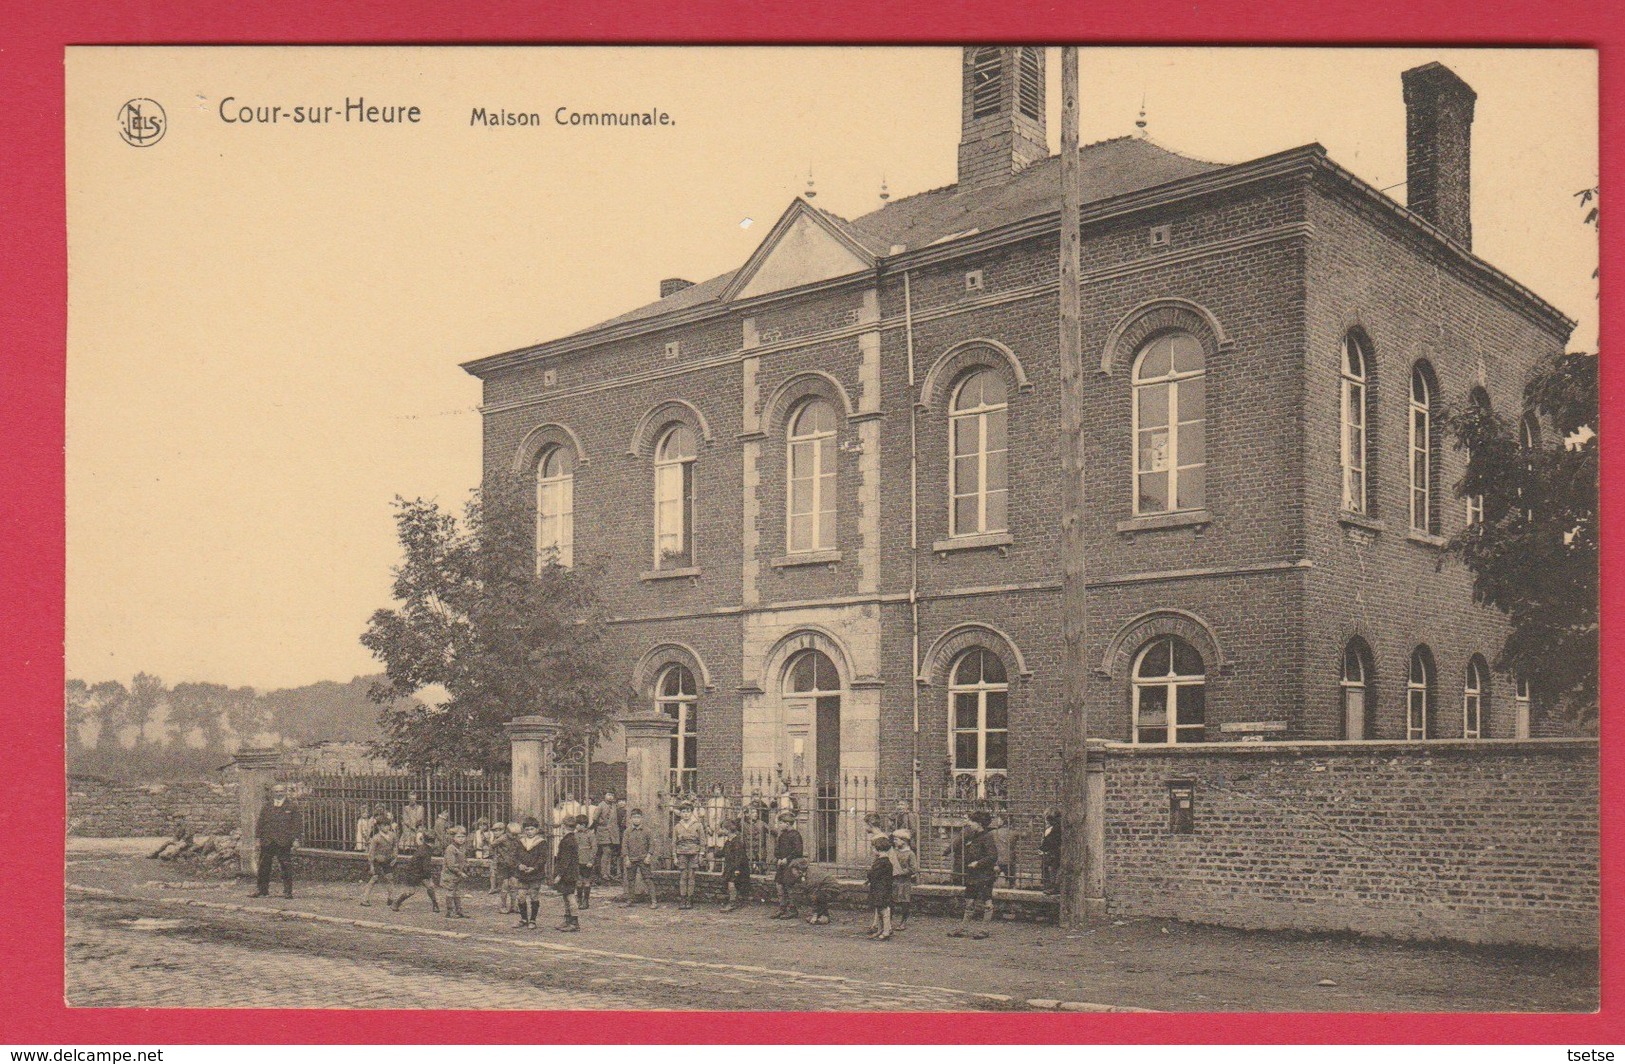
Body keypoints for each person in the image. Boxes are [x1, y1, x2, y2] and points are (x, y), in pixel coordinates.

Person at [948, 811, 999, 939]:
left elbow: (992, 856)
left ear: (979, 823)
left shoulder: (987, 836)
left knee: (987, 902)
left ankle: (984, 930)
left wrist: (978, 863)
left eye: (972, 821)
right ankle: (963, 928)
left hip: (985, 875)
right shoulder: (973, 835)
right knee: (969, 901)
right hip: (973, 874)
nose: (969, 824)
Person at [249, 783, 301, 899]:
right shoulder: (267, 806)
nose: (279, 793)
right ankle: (262, 890)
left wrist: (296, 839)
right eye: (276, 791)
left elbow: (296, 825)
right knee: (263, 866)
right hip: (267, 840)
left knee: (286, 866)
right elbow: (260, 823)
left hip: (283, 841)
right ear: (273, 793)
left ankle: (287, 892)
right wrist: (258, 839)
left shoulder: (292, 806)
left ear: (285, 792)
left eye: (281, 791)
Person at [389, 828, 438, 913]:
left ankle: (435, 905)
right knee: (411, 891)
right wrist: (430, 878)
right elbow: (426, 867)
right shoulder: (426, 851)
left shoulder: (424, 848)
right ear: (433, 841)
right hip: (413, 873)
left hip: (417, 871)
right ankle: (396, 903)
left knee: (430, 887)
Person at [512, 817, 549, 929]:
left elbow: (543, 858)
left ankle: (533, 920)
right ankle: (523, 919)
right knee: (521, 896)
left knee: (534, 896)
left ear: (537, 829)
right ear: (524, 830)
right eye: (527, 829)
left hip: (535, 874)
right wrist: (519, 865)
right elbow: (515, 856)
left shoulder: (541, 842)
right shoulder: (520, 842)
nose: (529, 831)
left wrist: (534, 867)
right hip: (522, 874)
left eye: (532, 829)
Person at [619, 808, 658, 909]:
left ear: (642, 818)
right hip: (631, 859)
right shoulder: (627, 832)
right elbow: (624, 845)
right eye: (634, 817)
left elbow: (652, 845)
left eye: (638, 817)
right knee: (630, 880)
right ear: (630, 819)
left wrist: (649, 856)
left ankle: (653, 901)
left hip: (643, 859)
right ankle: (630, 900)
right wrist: (626, 858)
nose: (636, 819)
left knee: (648, 879)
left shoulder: (647, 831)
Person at [782, 857, 838, 925]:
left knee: (817, 896)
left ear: (799, 870)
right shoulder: (806, 873)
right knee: (811, 895)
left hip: (831, 890)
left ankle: (822, 916)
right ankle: (822, 915)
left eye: (793, 871)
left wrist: (814, 915)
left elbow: (813, 895)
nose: (793, 873)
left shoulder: (811, 877)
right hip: (821, 889)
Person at [770, 810, 804, 919]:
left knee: (789, 887)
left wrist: (787, 859)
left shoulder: (795, 835)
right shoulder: (782, 835)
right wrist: (779, 858)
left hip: (790, 865)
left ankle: (792, 910)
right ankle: (782, 908)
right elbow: (778, 849)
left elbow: (798, 851)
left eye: (780, 823)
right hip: (782, 865)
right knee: (779, 885)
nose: (779, 825)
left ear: (787, 824)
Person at [672, 802, 706, 910]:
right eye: (683, 812)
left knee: (691, 876)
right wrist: (675, 856)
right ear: (680, 813)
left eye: (688, 811)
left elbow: (702, 841)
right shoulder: (677, 826)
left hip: (694, 853)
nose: (686, 814)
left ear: (691, 812)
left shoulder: (698, 825)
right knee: (683, 876)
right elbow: (674, 842)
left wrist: (701, 854)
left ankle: (689, 898)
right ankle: (683, 898)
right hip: (681, 853)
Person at [360, 811, 396, 907]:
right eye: (384, 825)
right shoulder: (376, 838)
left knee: (390, 878)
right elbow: (371, 853)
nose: (387, 827)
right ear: (379, 827)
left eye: (388, 825)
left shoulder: (392, 835)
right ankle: (364, 899)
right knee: (374, 878)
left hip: (387, 860)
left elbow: (395, 846)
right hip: (377, 861)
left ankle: (391, 898)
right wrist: (371, 866)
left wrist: (395, 857)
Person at [552, 815, 582, 932]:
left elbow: (565, 860)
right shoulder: (571, 839)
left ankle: (574, 922)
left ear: (564, 827)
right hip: (570, 873)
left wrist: (559, 875)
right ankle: (568, 919)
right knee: (566, 896)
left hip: (568, 874)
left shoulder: (567, 841)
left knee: (569, 896)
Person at [866, 835, 896, 940]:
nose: (873, 850)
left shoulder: (882, 862)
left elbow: (873, 874)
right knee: (880, 909)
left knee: (884, 910)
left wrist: (869, 875)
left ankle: (886, 931)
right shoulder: (884, 862)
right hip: (880, 888)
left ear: (878, 849)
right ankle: (880, 929)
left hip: (881, 890)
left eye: (873, 848)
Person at [719, 819, 751, 911]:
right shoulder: (728, 841)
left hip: (738, 867)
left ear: (727, 830)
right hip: (730, 866)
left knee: (731, 883)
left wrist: (737, 869)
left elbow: (738, 857)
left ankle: (732, 903)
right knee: (729, 883)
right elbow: (722, 852)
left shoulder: (736, 842)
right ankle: (734, 900)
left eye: (722, 829)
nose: (721, 831)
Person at [441, 825, 470, 919]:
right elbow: (451, 865)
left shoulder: (461, 848)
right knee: (450, 892)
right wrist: (460, 872)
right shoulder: (450, 848)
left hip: (457, 875)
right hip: (450, 874)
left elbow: (463, 860)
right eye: (458, 837)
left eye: (463, 837)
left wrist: (466, 867)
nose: (461, 839)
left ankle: (459, 911)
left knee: (457, 892)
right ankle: (449, 911)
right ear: (453, 838)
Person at [890, 828, 917, 930]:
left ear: (904, 841)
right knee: (891, 901)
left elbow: (913, 868)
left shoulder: (910, 854)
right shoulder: (894, 852)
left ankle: (903, 922)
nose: (894, 841)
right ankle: (889, 921)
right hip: (894, 881)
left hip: (904, 882)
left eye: (896, 839)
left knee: (904, 902)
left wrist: (902, 872)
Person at [490, 821, 519, 911]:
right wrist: (497, 856)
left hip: (514, 865)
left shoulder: (517, 839)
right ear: (507, 832)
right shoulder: (502, 838)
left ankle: (514, 906)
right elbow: (492, 845)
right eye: (512, 835)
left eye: (516, 835)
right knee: (504, 886)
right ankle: (503, 906)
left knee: (514, 885)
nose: (514, 837)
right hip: (503, 865)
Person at [593, 790, 621, 881]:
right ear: (604, 795)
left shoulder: (613, 805)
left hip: (612, 831)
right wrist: (601, 822)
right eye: (609, 795)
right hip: (603, 831)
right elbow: (595, 818)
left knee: (609, 852)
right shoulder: (601, 805)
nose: (610, 797)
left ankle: (607, 873)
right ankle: (603, 873)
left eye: (612, 795)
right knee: (606, 851)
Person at [573, 814, 597, 910]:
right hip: (577, 861)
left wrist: (591, 860)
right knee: (578, 881)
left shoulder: (590, 834)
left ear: (583, 825)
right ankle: (579, 900)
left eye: (578, 825)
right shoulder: (575, 834)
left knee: (586, 881)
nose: (576, 826)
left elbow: (594, 848)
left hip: (587, 861)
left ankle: (586, 901)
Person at [704, 783, 729, 872]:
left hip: (720, 829)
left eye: (719, 789)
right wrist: (707, 826)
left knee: (722, 847)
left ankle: (723, 869)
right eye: (715, 788)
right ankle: (711, 867)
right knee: (710, 848)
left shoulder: (725, 801)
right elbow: (706, 815)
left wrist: (722, 828)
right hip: (711, 828)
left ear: (721, 790)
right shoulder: (710, 801)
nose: (717, 790)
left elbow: (727, 816)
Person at [1039, 808, 1062, 896]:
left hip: (1055, 852)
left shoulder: (1053, 829)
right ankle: (1053, 886)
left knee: (1053, 869)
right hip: (1059, 851)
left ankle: (1053, 887)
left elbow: (1048, 843)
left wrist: (1042, 848)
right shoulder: (1061, 826)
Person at [741, 804, 769, 874]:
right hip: (749, 851)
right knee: (748, 871)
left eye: (756, 812)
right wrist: (740, 814)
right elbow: (733, 825)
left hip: (760, 851)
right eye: (753, 812)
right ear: (747, 814)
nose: (756, 814)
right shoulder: (743, 824)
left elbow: (771, 831)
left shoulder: (761, 823)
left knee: (762, 871)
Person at [989, 812, 1013, 886]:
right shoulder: (1013, 832)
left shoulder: (992, 832)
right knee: (1011, 879)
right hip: (1009, 860)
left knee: (991, 879)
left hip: (996, 859)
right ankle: (1012, 886)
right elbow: (1027, 834)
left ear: (1002, 822)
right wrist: (1031, 822)